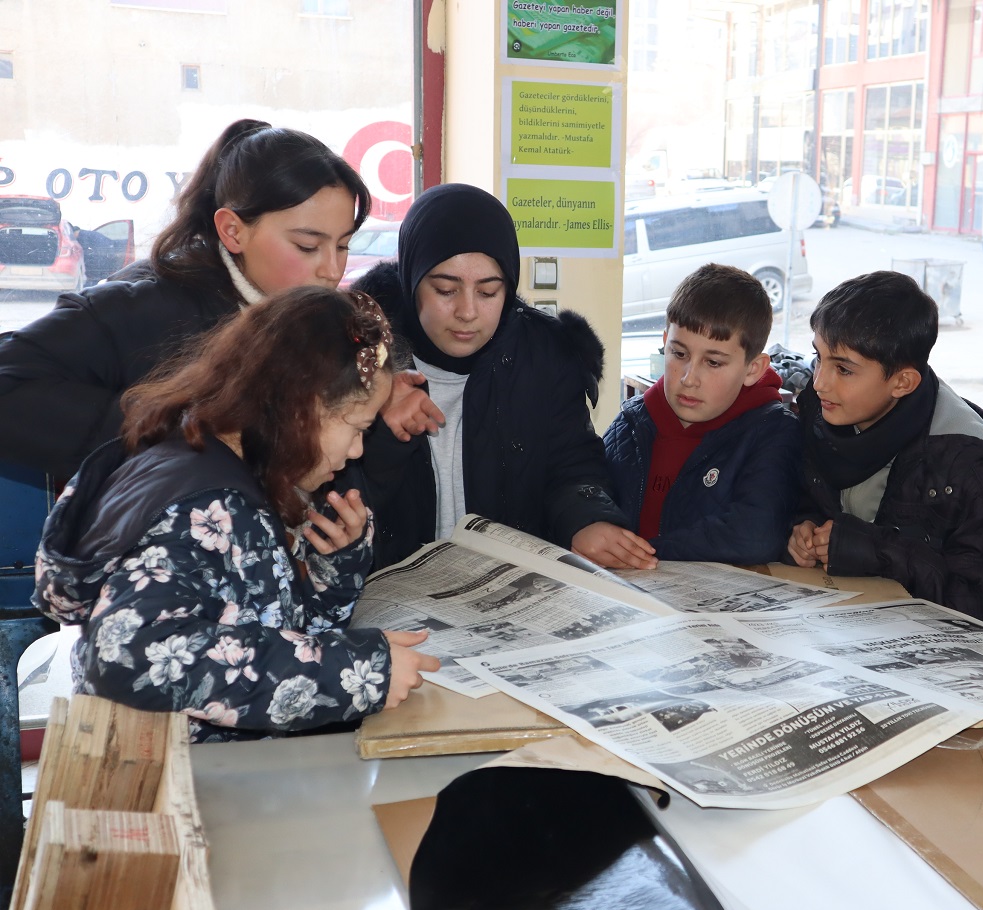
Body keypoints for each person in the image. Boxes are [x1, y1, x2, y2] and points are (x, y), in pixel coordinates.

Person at [31, 287, 439, 742]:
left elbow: (269, 635)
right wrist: (360, 672)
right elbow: (126, 657)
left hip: (222, 777)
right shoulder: (208, 508)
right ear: (303, 408)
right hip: (180, 793)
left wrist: (333, 570)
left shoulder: (205, 461)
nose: (357, 451)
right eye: (358, 428)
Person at [0, 118, 372, 482]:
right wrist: (187, 431)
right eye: (307, 246)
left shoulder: (310, 319)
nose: (332, 269)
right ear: (232, 231)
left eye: (342, 245)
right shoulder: (144, 307)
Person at [350, 183, 643, 570]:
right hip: (392, 589)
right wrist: (384, 438)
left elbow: (572, 463)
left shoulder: (545, 356)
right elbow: (329, 495)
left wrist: (586, 518)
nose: (467, 311)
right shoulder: (359, 359)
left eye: (488, 292)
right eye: (444, 289)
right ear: (410, 280)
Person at [786, 270, 983, 626]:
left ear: (902, 382)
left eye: (843, 369)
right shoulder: (817, 411)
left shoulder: (968, 468)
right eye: (818, 357)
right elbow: (798, 497)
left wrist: (874, 551)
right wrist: (799, 529)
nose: (819, 382)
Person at [603, 264, 800, 564]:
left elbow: (753, 534)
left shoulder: (772, 433)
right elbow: (590, 493)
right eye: (679, 354)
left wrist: (639, 553)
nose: (689, 378)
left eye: (714, 363)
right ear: (665, 340)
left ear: (753, 368)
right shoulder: (630, 423)